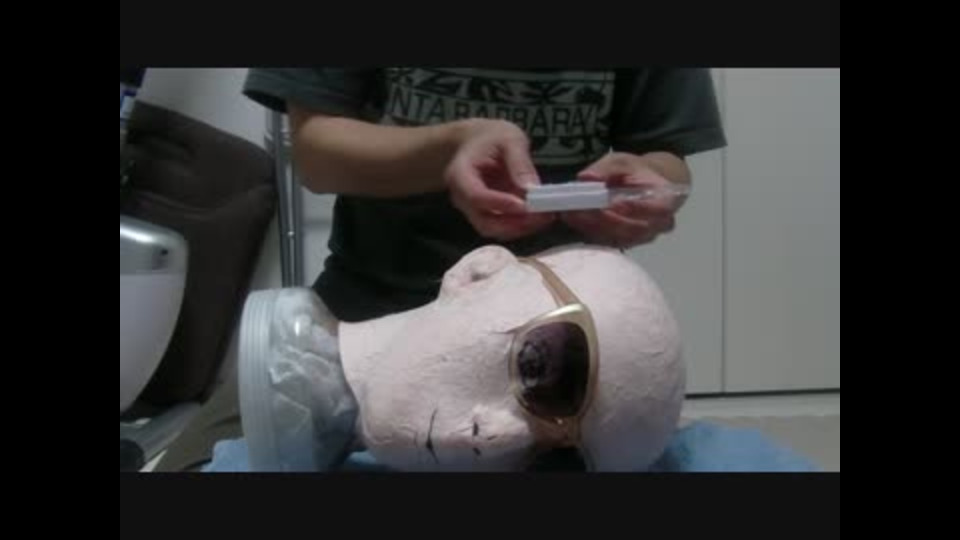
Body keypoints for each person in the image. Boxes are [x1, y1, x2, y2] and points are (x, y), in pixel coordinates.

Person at [152, 68, 727, 472]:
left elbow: (667, 155)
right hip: (362, 308)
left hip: (562, 367)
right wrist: (447, 149)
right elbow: (316, 152)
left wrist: (650, 183)